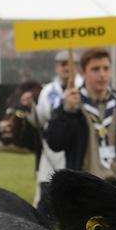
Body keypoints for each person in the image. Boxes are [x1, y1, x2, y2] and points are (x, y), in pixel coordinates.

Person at [43, 47, 116, 197]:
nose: (102, 74)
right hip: (83, 190)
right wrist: (67, 112)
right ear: (83, 72)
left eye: (106, 68)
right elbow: (55, 143)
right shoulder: (72, 104)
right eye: (95, 69)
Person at [31, 50, 84, 204]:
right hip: (50, 147)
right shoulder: (47, 90)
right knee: (47, 187)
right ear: (56, 67)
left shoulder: (84, 88)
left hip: (75, 145)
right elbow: (40, 119)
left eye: (71, 64)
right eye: (63, 64)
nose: (67, 68)